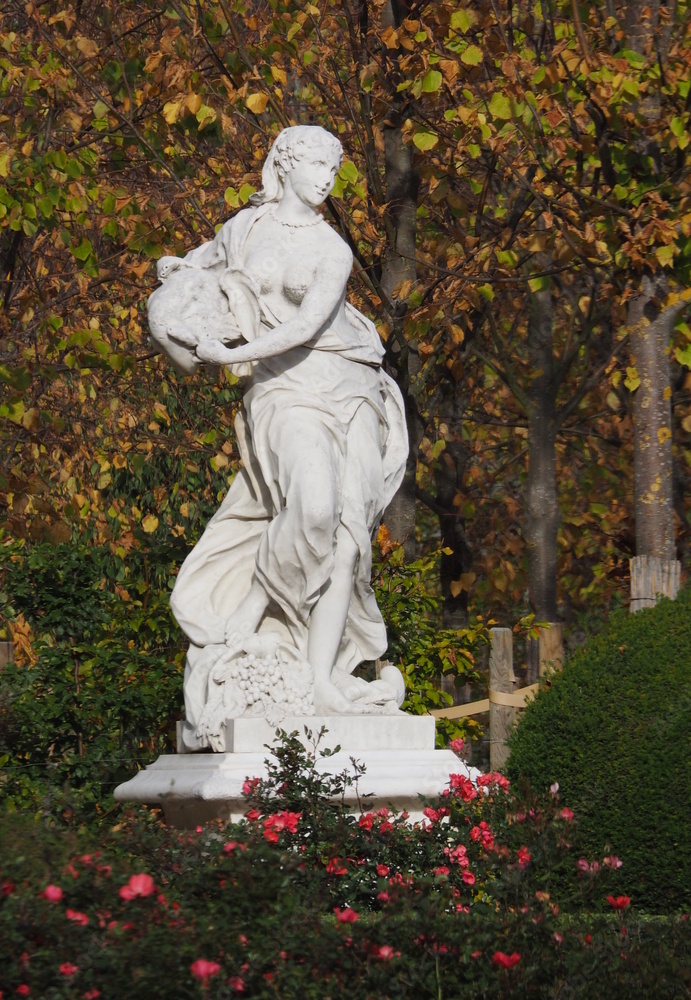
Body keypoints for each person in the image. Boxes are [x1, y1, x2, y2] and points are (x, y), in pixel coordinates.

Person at [152, 126, 408, 749]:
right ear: (285, 166)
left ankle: (319, 677)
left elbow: (303, 327)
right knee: (312, 508)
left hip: (349, 383)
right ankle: (248, 616)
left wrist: (223, 353)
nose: (326, 177)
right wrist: (172, 296)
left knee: (348, 533)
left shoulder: (333, 251)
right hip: (284, 392)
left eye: (333, 167)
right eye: (316, 164)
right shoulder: (243, 228)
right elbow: (190, 272)